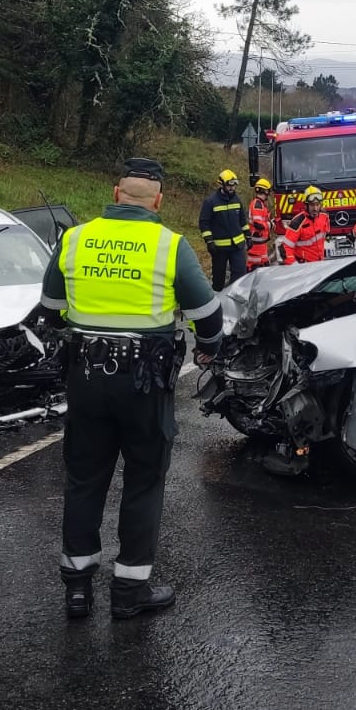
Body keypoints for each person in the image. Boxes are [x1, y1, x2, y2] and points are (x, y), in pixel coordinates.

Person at [34, 158, 224, 622]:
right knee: (143, 483)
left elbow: (51, 308)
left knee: (83, 480)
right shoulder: (170, 246)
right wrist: (208, 349)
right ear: (157, 201)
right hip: (144, 383)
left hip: (85, 378)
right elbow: (209, 315)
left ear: (116, 193)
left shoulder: (74, 239)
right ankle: (128, 593)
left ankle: (77, 592)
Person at [198, 169, 247, 289]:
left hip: (237, 246)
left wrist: (248, 235)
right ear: (222, 185)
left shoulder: (237, 199)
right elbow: (204, 223)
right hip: (219, 248)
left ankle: (235, 296)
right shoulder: (211, 202)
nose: (232, 189)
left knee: (240, 274)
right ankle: (218, 299)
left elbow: (242, 220)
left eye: (234, 186)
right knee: (218, 278)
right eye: (229, 186)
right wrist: (209, 241)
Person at [281, 186, 330, 263]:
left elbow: (325, 234)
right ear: (306, 205)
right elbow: (285, 248)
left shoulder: (324, 216)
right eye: (312, 205)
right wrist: (295, 266)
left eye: (317, 204)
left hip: (320, 265)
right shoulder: (297, 222)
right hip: (304, 267)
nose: (315, 208)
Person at [245, 177, 277, 272]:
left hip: (260, 245)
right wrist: (270, 224)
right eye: (268, 191)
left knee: (263, 266)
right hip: (256, 246)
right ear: (265, 191)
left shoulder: (260, 204)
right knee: (256, 272)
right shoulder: (257, 205)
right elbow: (259, 225)